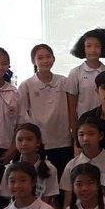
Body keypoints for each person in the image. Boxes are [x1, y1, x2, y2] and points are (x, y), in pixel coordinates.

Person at [17, 44, 72, 178]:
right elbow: (23, 115)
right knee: (41, 179)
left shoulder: (64, 81)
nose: (45, 61)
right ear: (33, 61)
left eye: (48, 57)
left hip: (63, 141)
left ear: (53, 59)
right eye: (40, 58)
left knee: (62, 180)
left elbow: (72, 108)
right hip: (39, 142)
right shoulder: (26, 85)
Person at [1, 124, 60, 209]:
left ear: (38, 142)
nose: (24, 143)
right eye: (20, 140)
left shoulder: (50, 169)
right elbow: (7, 195)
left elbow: (48, 197)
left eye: (29, 139)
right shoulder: (9, 168)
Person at [66, 29, 105, 128]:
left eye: (97, 46)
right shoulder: (75, 73)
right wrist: (74, 129)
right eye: (88, 46)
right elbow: (71, 106)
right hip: (83, 124)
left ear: (103, 48)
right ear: (83, 48)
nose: (93, 50)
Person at [59, 117, 105, 209]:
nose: (85, 139)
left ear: (100, 135)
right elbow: (68, 199)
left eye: (91, 134)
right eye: (81, 135)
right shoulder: (72, 165)